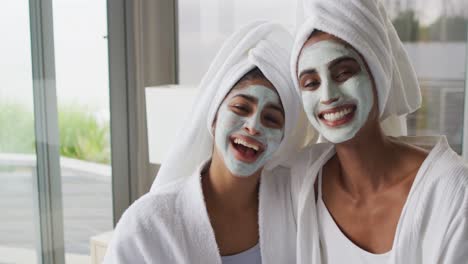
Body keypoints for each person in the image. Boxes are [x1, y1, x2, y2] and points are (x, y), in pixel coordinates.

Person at [103, 21, 307, 264]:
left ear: (282, 139)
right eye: (241, 107)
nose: (253, 126)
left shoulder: (295, 211)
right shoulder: (146, 224)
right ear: (213, 118)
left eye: (271, 119)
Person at [290, 0, 468, 263]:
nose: (327, 96)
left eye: (343, 73)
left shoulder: (452, 192)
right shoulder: (302, 182)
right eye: (311, 83)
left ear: (378, 75)